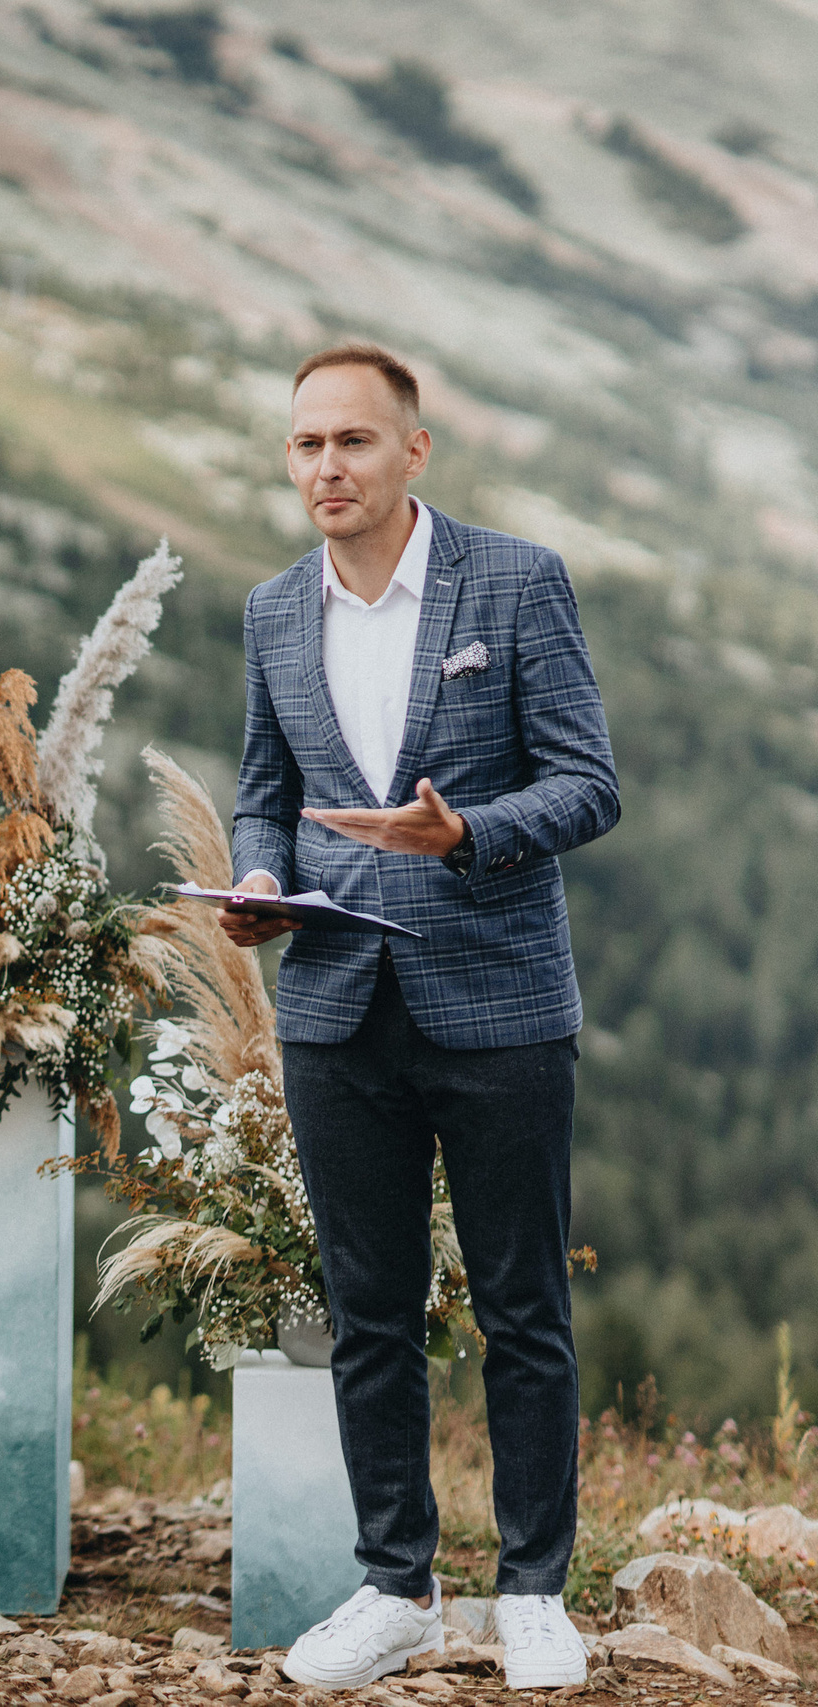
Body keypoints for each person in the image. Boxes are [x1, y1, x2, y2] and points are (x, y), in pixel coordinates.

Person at [223, 345, 617, 1691]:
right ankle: (396, 1582)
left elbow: (587, 782)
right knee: (368, 1307)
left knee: (521, 1304)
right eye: (306, 444)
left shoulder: (515, 582)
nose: (327, 466)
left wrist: (466, 834)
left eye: (354, 441)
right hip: (336, 1005)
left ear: (413, 451)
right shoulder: (274, 610)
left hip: (500, 1001)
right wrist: (262, 874)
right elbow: (262, 786)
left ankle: (533, 1593)